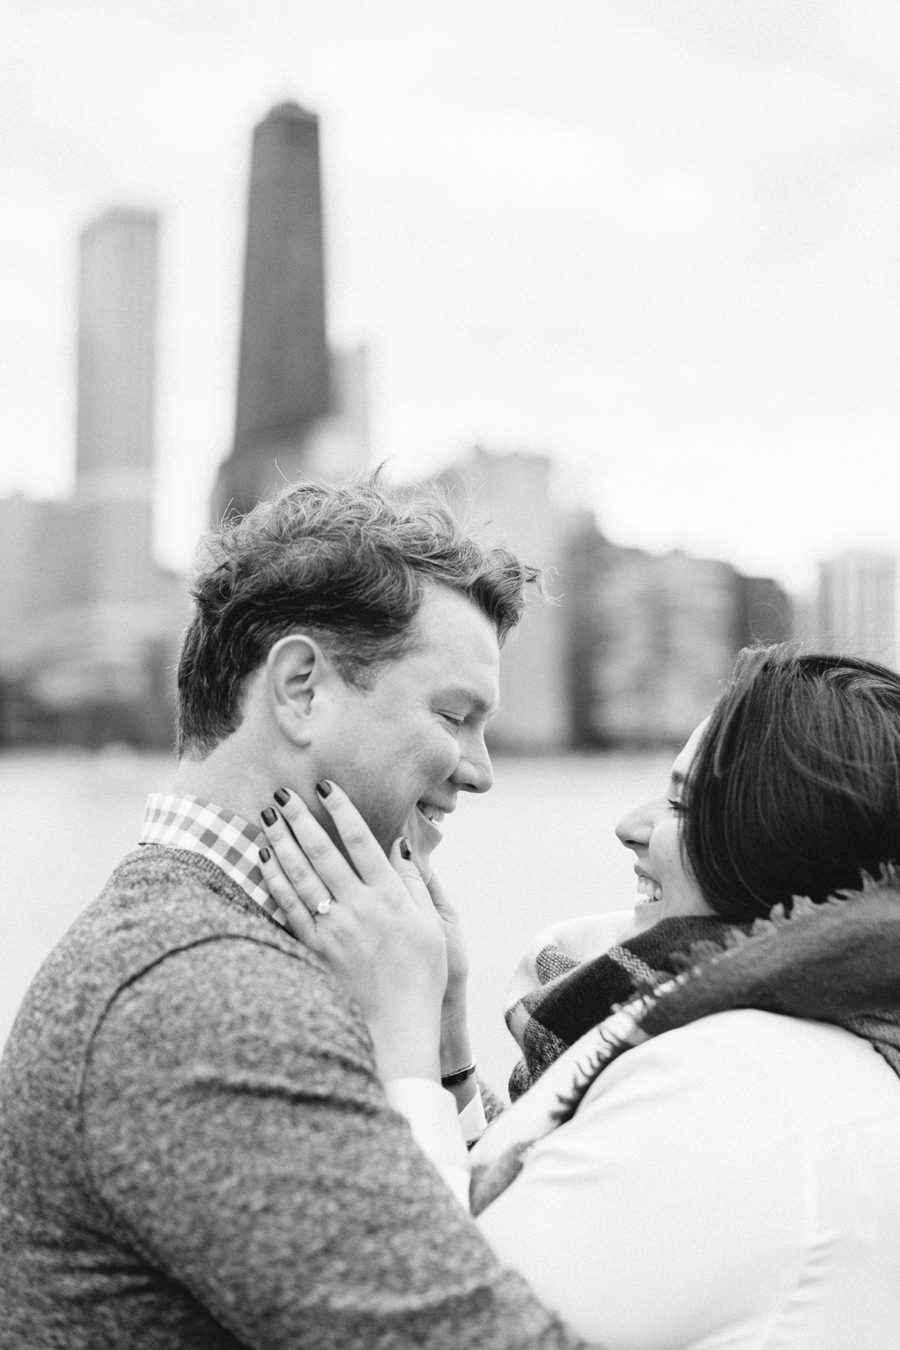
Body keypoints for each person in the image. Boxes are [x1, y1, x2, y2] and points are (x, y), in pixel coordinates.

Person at [0, 478, 602, 1349]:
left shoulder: (215, 942)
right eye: (454, 715)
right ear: (301, 688)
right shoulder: (203, 1000)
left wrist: (439, 1038)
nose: (480, 771)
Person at [258, 644, 900, 1349]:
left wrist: (399, 1035)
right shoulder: (812, 1047)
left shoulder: (735, 1075)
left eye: (682, 802)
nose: (632, 822)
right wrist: (447, 1045)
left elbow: (436, 1317)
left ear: (775, 840)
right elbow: (531, 1227)